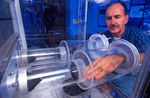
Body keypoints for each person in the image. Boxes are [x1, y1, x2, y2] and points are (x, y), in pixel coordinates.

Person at [87, 2, 150, 81]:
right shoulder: (103, 37)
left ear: (126, 19)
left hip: (129, 80)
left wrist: (121, 58)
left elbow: (147, 56)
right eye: (109, 18)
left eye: (117, 17)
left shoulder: (138, 35)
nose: (113, 22)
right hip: (107, 79)